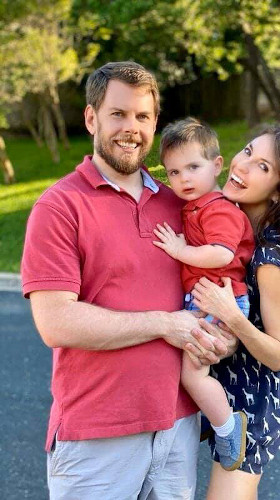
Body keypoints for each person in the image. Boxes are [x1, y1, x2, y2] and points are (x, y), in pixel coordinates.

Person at [21, 61, 234, 500]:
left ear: (155, 122)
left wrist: (220, 336)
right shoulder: (59, 206)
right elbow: (56, 322)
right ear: (91, 117)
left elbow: (212, 284)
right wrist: (165, 323)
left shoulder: (180, 202)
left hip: (176, 429)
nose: (130, 128)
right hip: (97, 437)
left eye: (142, 116)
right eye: (118, 114)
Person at [189, 125, 280, 499]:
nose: (242, 165)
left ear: (279, 192)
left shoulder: (266, 258)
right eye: (247, 151)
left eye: (262, 166)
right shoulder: (239, 232)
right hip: (234, 399)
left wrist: (231, 316)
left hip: (256, 406)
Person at [153, 117, 255, 471]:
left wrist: (179, 251)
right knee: (187, 368)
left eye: (193, 167)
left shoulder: (219, 208)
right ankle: (209, 418)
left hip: (219, 299)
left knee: (192, 375)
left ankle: (228, 428)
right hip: (205, 299)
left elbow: (222, 254)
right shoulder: (196, 206)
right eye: (174, 172)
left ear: (216, 165)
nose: (184, 179)